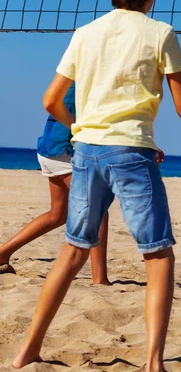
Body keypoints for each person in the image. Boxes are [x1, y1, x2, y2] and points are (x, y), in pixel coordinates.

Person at [12, 0, 181, 372]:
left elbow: (50, 99)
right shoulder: (160, 34)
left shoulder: (85, 34)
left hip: (85, 151)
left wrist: (81, 124)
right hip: (131, 152)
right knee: (158, 254)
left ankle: (26, 351)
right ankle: (153, 370)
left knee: (72, 250)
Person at [0, 84, 110, 285]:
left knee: (58, 214)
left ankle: (2, 254)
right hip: (63, 150)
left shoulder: (79, 71)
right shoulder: (93, 74)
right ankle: (100, 280)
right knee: (98, 209)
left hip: (50, 147)